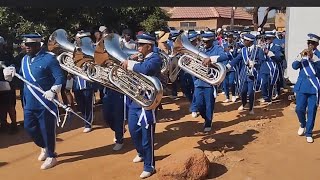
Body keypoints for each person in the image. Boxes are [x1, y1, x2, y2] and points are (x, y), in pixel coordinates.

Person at [3, 34, 65, 169]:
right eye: (25, 44)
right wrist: (11, 74)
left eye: (30, 45)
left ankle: (51, 155)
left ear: (38, 45)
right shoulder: (25, 59)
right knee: (29, 128)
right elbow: (23, 78)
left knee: (46, 129)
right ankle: (44, 146)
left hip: (45, 102)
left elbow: (60, 77)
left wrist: (54, 90)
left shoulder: (49, 59)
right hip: (30, 102)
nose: (26, 47)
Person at [121, 33, 161, 179]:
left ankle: (149, 166)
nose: (137, 48)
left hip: (147, 102)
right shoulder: (140, 58)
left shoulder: (156, 59)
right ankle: (141, 153)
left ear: (148, 46)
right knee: (133, 130)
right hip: (134, 100)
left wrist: (131, 64)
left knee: (147, 136)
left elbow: (146, 70)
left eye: (140, 45)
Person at [193, 31, 228, 132]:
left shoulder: (217, 48)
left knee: (209, 104)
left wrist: (211, 59)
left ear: (212, 41)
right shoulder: (200, 49)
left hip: (210, 81)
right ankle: (206, 118)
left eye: (207, 42)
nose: (205, 44)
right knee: (199, 104)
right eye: (204, 42)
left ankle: (208, 122)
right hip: (199, 81)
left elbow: (225, 56)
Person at [225, 33, 265, 115]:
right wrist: (227, 67)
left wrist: (255, 63)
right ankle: (244, 104)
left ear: (249, 41)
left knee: (251, 91)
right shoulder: (243, 50)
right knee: (243, 91)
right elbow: (237, 59)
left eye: (245, 40)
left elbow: (262, 61)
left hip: (253, 73)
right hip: (243, 73)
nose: (243, 42)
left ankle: (251, 108)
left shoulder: (258, 50)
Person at [292, 33, 320, 143]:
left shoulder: (318, 55)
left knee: (312, 110)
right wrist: (300, 56)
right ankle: (302, 124)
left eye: (312, 43)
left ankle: (309, 132)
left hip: (314, 86)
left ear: (317, 44)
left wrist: (314, 58)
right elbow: (294, 66)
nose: (310, 45)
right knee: (299, 109)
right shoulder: (303, 54)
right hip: (302, 86)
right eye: (309, 43)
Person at [0, 36, 18, 134]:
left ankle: (14, 124)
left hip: (8, 84)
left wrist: (9, 67)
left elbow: (14, 65)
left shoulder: (7, 55)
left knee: (10, 105)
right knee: (1, 105)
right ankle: (3, 123)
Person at [259, 32, 282, 103]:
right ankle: (265, 97)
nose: (267, 40)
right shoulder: (263, 47)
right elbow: (260, 58)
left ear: (273, 38)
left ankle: (269, 98)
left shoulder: (277, 47)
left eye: (269, 38)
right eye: (266, 38)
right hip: (264, 67)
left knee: (271, 84)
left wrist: (270, 53)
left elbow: (279, 58)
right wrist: (262, 50)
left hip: (272, 67)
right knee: (264, 83)